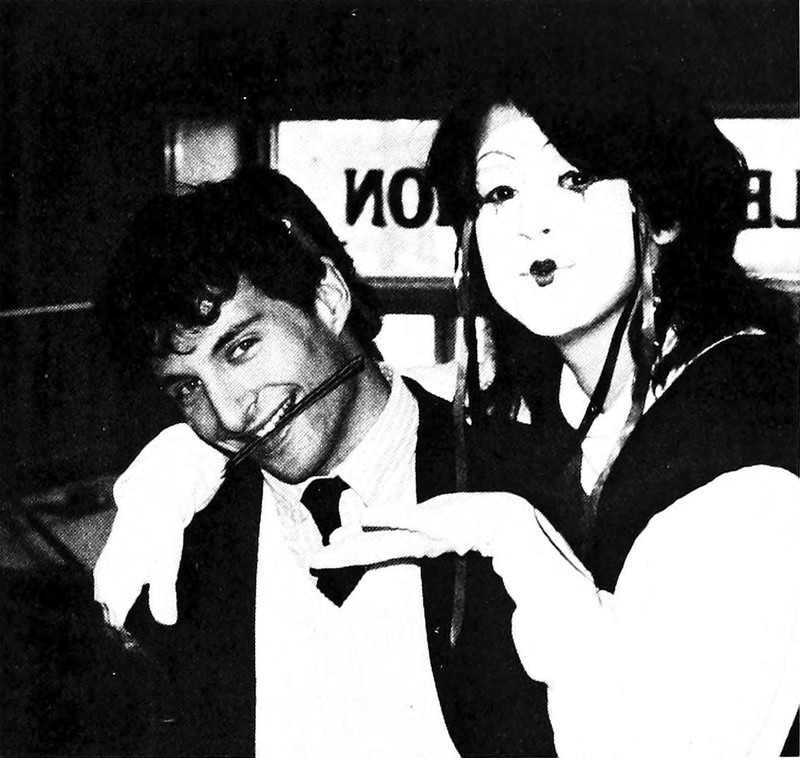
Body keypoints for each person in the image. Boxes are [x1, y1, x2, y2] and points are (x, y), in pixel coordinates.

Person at [312, 55, 800, 757]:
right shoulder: (552, 389)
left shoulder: (746, 428)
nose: (531, 223)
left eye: (575, 179)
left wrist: (520, 543)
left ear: (664, 212)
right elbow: (376, 389)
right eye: (500, 191)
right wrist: (193, 454)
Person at [95, 166, 551, 757]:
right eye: (187, 388)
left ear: (327, 300)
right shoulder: (183, 551)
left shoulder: (525, 488)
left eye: (241, 348)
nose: (228, 414)